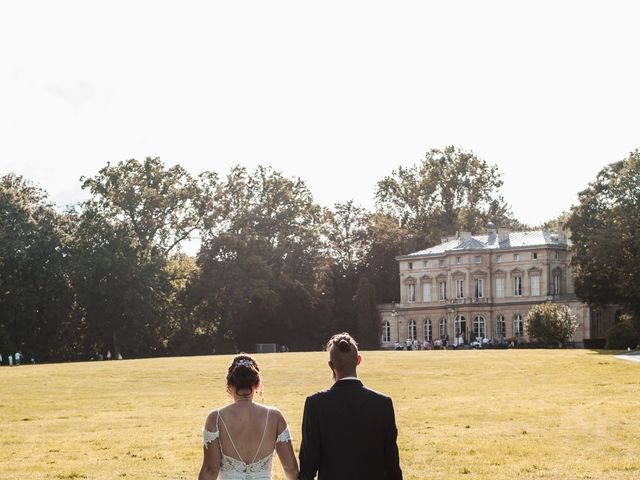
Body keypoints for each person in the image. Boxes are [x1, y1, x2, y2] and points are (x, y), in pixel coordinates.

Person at [298, 332, 402, 480]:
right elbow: (392, 461)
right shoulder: (383, 403)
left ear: (330, 365)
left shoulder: (316, 404)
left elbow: (309, 463)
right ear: (358, 360)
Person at [199, 354, 298, 480]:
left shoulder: (216, 418)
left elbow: (210, 469)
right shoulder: (274, 416)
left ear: (229, 385)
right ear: (257, 384)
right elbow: (290, 468)